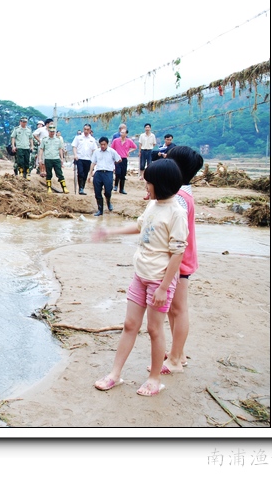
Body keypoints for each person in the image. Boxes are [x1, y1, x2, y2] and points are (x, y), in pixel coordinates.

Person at [91, 159, 188, 396]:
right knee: (130, 325)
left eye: (148, 183)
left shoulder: (177, 213)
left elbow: (178, 253)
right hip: (140, 275)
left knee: (154, 329)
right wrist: (110, 231)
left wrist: (164, 287)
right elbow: (140, 227)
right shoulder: (153, 205)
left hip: (159, 281)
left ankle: (154, 379)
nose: (146, 186)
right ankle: (115, 374)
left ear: (161, 184)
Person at [159, 145, 204, 374]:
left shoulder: (180, 198)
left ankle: (176, 359)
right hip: (180, 260)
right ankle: (179, 352)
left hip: (180, 261)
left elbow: (176, 235)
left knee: (178, 309)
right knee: (173, 308)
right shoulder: (182, 192)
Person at [87, 136, 122, 216]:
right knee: (97, 192)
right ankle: (100, 210)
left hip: (108, 173)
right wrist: (90, 174)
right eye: (101, 144)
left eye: (104, 144)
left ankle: (108, 201)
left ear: (107, 144)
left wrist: (112, 164)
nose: (103, 146)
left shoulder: (112, 151)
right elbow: (93, 163)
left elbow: (119, 159)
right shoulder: (96, 152)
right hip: (98, 172)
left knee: (108, 190)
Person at [38, 124, 68, 193]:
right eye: (51, 131)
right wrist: (40, 159)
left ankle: (64, 187)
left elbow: (60, 149)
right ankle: (49, 188)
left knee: (59, 173)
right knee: (49, 174)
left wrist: (62, 158)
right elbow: (41, 149)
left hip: (56, 158)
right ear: (48, 131)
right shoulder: (44, 140)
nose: (52, 133)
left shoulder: (58, 140)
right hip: (48, 159)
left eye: (53, 131)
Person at [71, 123, 98, 195]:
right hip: (79, 158)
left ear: (90, 130)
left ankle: (82, 187)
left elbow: (94, 150)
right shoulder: (78, 138)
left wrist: (94, 158)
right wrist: (75, 154)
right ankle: (80, 188)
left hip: (88, 159)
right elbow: (74, 146)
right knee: (80, 173)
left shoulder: (92, 139)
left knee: (85, 173)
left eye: (87, 130)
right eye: (85, 129)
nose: (86, 131)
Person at [110, 128, 137, 194]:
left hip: (124, 158)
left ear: (126, 134)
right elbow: (111, 149)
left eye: (123, 132)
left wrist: (129, 151)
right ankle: (116, 185)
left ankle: (121, 189)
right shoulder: (116, 141)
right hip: (117, 158)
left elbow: (135, 147)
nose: (121, 134)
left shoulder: (129, 141)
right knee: (118, 172)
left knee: (123, 174)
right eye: (121, 132)